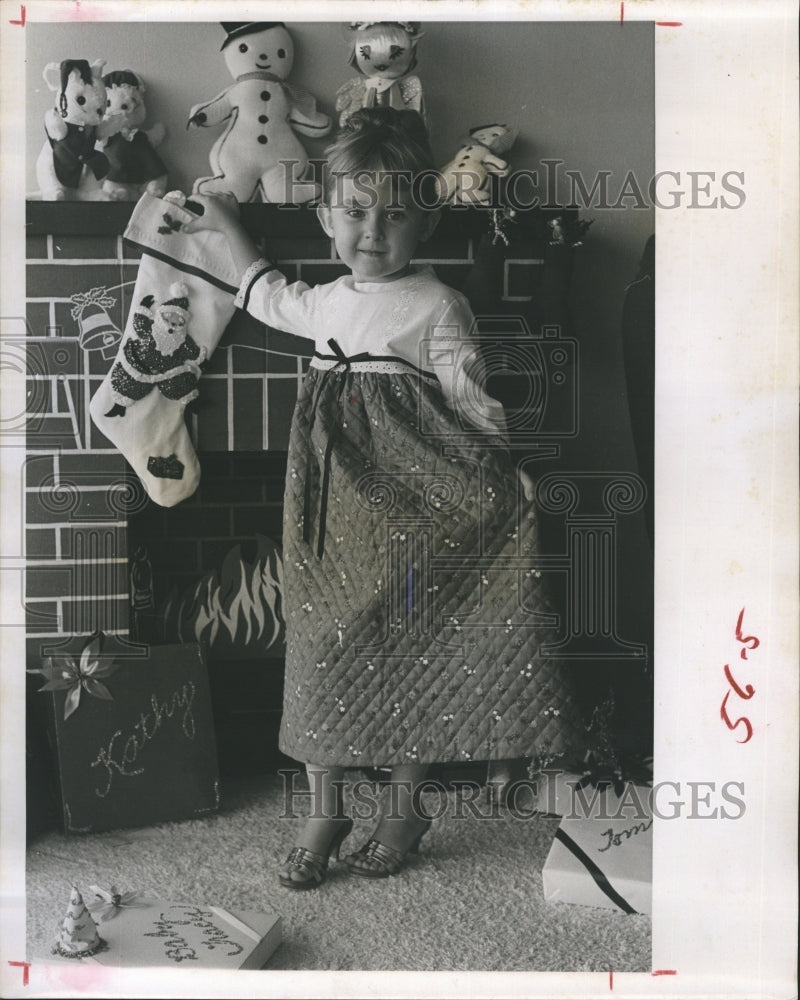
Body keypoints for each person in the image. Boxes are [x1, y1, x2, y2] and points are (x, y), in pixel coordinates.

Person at [184, 108, 584, 890]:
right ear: (328, 215)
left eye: (395, 213)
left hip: (419, 498)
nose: (374, 230)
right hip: (331, 510)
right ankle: (325, 806)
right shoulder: (327, 303)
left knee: (415, 644)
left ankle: (405, 805)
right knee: (322, 644)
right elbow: (262, 289)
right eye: (357, 210)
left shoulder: (437, 304)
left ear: (425, 218)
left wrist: (509, 469)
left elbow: (469, 396)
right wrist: (228, 221)